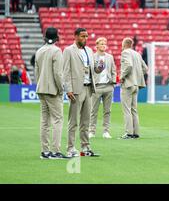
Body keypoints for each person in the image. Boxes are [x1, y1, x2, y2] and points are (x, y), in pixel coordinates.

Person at [63, 28, 103, 157]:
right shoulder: (69, 50)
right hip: (76, 90)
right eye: (82, 36)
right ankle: (70, 148)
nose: (85, 38)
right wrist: (68, 89)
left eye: (86, 36)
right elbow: (66, 71)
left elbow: (92, 70)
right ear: (75, 36)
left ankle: (85, 148)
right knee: (73, 121)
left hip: (89, 88)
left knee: (86, 121)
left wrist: (99, 68)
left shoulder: (89, 50)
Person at [35, 27, 67, 159]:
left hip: (41, 88)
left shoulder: (39, 50)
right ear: (56, 38)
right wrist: (61, 88)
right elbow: (58, 73)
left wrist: (39, 85)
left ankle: (45, 151)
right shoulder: (57, 51)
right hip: (53, 90)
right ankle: (56, 151)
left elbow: (36, 72)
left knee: (44, 121)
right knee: (57, 120)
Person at [120, 37, 148, 139]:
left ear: (124, 44)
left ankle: (128, 133)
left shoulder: (125, 53)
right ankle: (136, 132)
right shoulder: (137, 54)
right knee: (134, 109)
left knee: (127, 109)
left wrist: (122, 76)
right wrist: (137, 76)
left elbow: (129, 66)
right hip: (136, 84)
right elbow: (145, 68)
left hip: (128, 84)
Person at [89, 38, 117, 139]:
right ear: (97, 46)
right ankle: (92, 131)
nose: (104, 45)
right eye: (101, 44)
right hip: (97, 87)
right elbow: (90, 71)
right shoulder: (92, 57)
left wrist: (113, 82)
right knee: (93, 110)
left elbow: (114, 70)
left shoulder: (110, 57)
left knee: (107, 111)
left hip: (108, 87)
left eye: (105, 44)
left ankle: (106, 131)